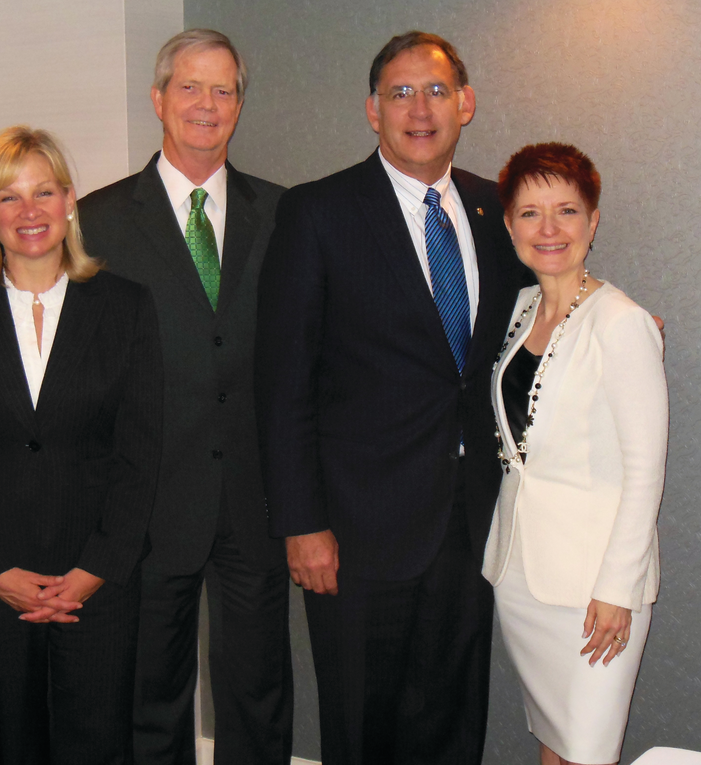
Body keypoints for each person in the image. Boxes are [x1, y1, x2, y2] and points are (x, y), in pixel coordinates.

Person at [255, 32, 531, 764]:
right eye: (400, 93)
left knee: (451, 719)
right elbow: (283, 385)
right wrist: (301, 522)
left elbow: (537, 312)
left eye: (437, 91)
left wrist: (608, 318)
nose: (420, 108)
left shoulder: (496, 209)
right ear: (371, 111)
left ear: (465, 104)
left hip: (471, 520)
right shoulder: (317, 212)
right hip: (353, 532)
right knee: (361, 724)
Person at [79, 29, 294, 765]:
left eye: (224, 89)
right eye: (191, 88)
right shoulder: (96, 221)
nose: (208, 104)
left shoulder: (283, 215)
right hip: (146, 503)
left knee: (259, 694)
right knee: (149, 696)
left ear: (240, 102)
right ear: (159, 98)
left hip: (253, 501)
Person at [0, 125, 163, 765]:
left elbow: (140, 459)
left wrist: (92, 573)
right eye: (9, 197)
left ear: (70, 201)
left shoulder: (127, 307)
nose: (29, 212)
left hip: (98, 587)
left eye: (44, 192)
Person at [485, 143, 667, 765]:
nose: (549, 229)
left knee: (589, 750)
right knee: (556, 742)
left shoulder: (621, 323)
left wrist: (618, 586)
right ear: (509, 226)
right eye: (530, 213)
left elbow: (646, 468)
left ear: (593, 221)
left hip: (597, 588)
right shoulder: (518, 310)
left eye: (567, 210)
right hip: (522, 576)